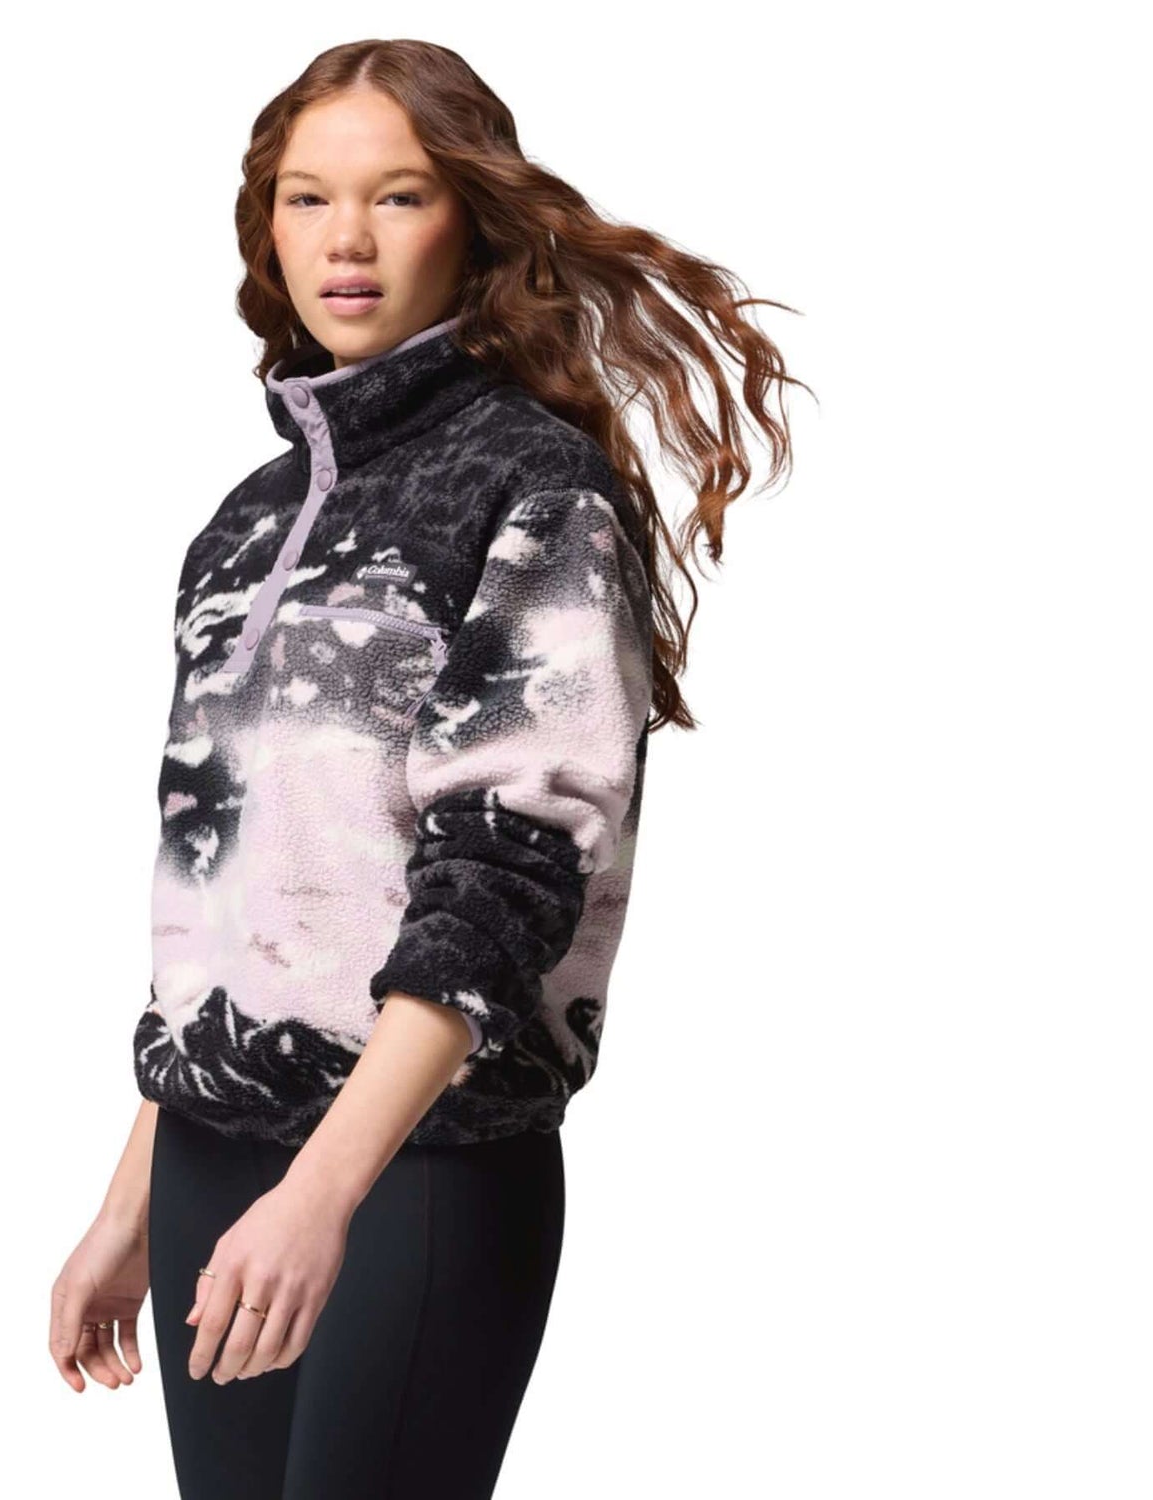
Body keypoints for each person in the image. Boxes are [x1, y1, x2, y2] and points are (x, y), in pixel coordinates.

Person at [49, 37, 803, 1500]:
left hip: (417, 1170)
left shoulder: (536, 487)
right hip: (211, 1150)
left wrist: (324, 1190)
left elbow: (507, 878)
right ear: (267, 229)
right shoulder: (243, 527)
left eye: (397, 197)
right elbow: (224, 893)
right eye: (307, 198)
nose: (346, 238)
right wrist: (131, 1199)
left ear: (471, 222)